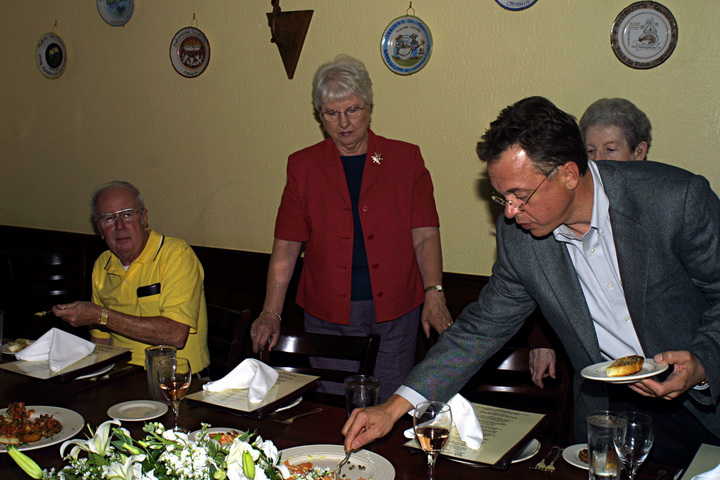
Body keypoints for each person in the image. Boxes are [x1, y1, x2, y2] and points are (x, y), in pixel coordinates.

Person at [342, 96, 720, 467]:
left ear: (568, 175)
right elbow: (478, 331)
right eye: (502, 197)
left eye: (519, 195)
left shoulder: (675, 200)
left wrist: (703, 362)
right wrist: (392, 408)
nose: (510, 212)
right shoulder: (520, 238)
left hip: (703, 403)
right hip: (607, 413)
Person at [249, 54, 451, 402]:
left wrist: (434, 292)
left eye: (353, 110)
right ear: (320, 115)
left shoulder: (405, 159)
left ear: (369, 107)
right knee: (334, 407)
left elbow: (425, 235)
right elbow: (286, 247)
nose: (344, 122)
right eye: (331, 113)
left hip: (396, 313)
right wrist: (271, 312)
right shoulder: (303, 166)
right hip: (327, 315)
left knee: (391, 406)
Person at [529, 98, 653, 388]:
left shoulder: (664, 207)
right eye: (590, 151)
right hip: (601, 390)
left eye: (610, 149)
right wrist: (542, 340)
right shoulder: (550, 220)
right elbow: (546, 289)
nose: (599, 160)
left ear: (639, 152)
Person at [52, 181, 210, 376]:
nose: (119, 226)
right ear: (99, 227)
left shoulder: (176, 255)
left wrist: (101, 315)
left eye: (127, 215)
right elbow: (101, 341)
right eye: (109, 219)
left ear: (144, 218)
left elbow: (176, 334)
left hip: (177, 379)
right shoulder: (103, 264)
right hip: (120, 376)